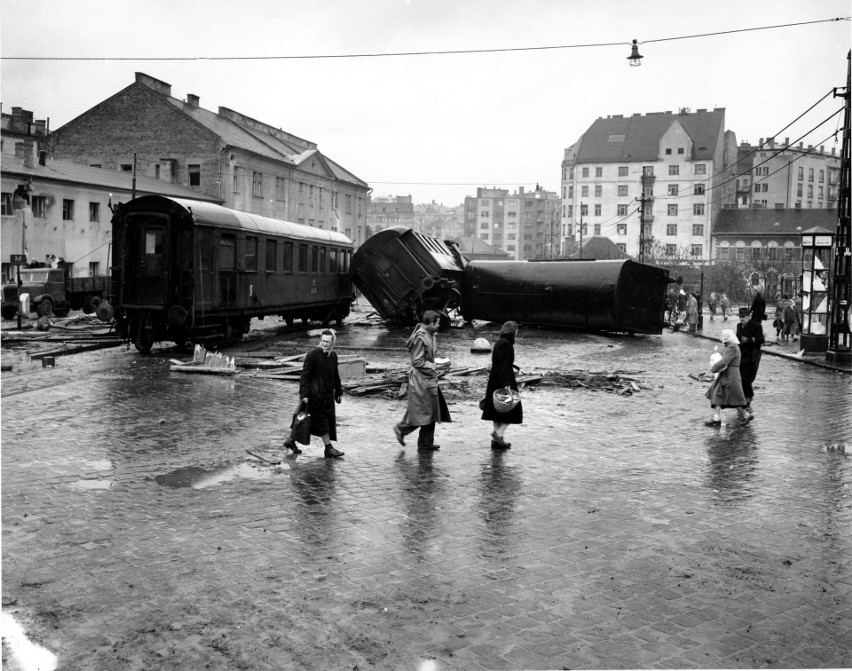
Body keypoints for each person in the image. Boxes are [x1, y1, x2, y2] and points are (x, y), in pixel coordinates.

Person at [394, 310, 451, 450]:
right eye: (437, 323)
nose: (439, 326)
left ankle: (426, 443)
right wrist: (434, 366)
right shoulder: (421, 337)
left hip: (428, 379)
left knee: (431, 411)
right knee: (423, 412)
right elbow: (417, 362)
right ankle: (402, 429)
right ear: (430, 323)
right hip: (421, 380)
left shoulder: (430, 335)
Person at [283, 329, 344, 458]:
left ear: (332, 342)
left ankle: (290, 441)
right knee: (321, 422)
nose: (325, 344)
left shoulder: (333, 356)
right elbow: (305, 376)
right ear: (320, 340)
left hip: (327, 396)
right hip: (314, 396)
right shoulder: (312, 355)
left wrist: (339, 391)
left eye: (327, 341)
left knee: (308, 422)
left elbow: (335, 375)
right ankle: (328, 448)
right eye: (323, 341)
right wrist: (304, 395)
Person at [480, 321, 524, 449]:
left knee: (496, 411)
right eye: (516, 331)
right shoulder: (507, 345)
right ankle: (498, 434)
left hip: (494, 378)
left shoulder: (499, 342)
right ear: (513, 331)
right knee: (513, 409)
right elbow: (505, 365)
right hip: (503, 378)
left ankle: (497, 441)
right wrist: (506, 384)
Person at [705, 329, 752, 425]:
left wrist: (713, 368)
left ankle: (745, 415)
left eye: (723, 336)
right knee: (720, 394)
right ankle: (717, 418)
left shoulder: (732, 347)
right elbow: (724, 355)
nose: (722, 338)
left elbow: (724, 361)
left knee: (730, 397)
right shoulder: (731, 346)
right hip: (728, 374)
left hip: (730, 375)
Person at [735, 306, 764, 414]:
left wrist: (749, 340)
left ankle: (748, 399)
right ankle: (744, 401)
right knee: (740, 380)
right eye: (740, 317)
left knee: (745, 379)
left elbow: (761, 340)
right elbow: (737, 339)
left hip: (751, 356)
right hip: (740, 356)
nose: (741, 319)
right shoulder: (739, 326)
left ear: (748, 316)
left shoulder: (756, 325)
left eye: (744, 317)